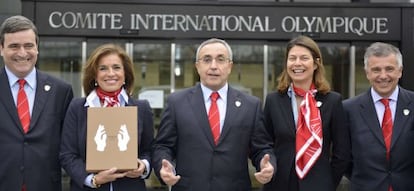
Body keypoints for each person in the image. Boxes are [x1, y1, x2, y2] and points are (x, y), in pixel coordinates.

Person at [152, 38, 276, 191]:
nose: (213, 66)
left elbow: (261, 148)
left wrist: (266, 165)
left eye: (220, 59)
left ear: (230, 66)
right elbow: (163, 146)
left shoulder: (251, 105)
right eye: (207, 59)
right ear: (197, 66)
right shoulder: (177, 102)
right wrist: (164, 165)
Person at [59, 43, 154, 191]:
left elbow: (148, 150)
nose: (110, 73)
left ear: (125, 74)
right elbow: (67, 154)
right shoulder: (77, 108)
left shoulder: (141, 108)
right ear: (94, 75)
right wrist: (93, 180)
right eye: (103, 68)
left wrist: (143, 166)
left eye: (116, 67)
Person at [262, 35, 350, 191]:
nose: (297, 63)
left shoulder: (333, 101)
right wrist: (267, 164)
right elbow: (264, 142)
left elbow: (342, 152)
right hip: (280, 184)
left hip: (319, 185)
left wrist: (329, 182)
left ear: (316, 64)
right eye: (292, 58)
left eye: (304, 58)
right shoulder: (273, 100)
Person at [0, 15, 74, 191]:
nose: (22, 53)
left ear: (37, 48)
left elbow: (70, 146)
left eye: (28, 46)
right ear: (1, 49)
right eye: (14, 46)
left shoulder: (61, 91)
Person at [343, 42, 414, 190]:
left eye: (389, 69)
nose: (383, 76)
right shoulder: (348, 109)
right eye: (376, 70)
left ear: (400, 71)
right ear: (367, 73)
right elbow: (344, 158)